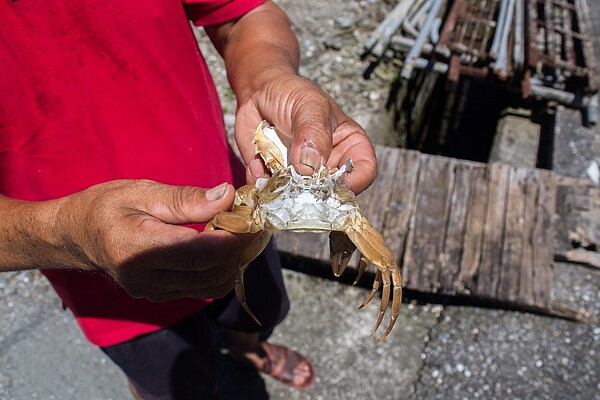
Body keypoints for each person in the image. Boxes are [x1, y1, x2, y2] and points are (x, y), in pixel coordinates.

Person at [0, 0, 378, 399]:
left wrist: (266, 76)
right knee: (174, 385)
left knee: (258, 309)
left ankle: (248, 349)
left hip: (240, 207)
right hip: (99, 281)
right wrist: (69, 235)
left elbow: (241, 13)